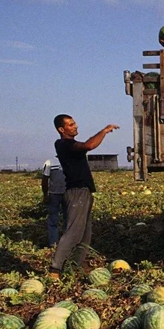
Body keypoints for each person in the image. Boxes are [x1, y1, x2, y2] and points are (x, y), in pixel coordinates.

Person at [47, 115, 119, 279]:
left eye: (74, 123)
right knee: (73, 233)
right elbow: (89, 145)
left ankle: (74, 267)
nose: (75, 126)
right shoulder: (63, 143)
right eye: (71, 125)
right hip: (76, 192)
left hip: (84, 192)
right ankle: (55, 269)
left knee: (85, 235)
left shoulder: (69, 144)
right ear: (61, 129)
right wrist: (104, 131)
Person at [40, 159, 67, 247]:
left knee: (59, 219)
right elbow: (45, 179)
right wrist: (45, 195)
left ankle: (56, 243)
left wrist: (45, 194)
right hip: (57, 195)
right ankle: (57, 243)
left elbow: (45, 179)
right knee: (59, 219)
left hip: (65, 194)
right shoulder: (49, 163)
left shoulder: (50, 163)